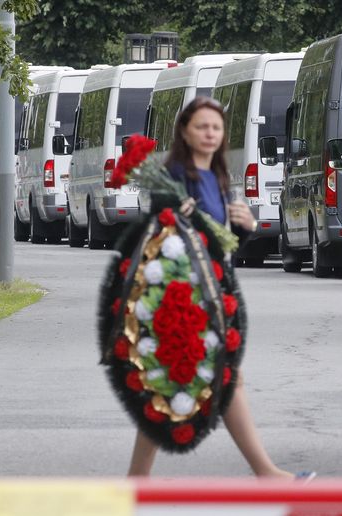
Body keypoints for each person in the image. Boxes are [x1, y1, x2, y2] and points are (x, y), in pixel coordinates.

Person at [127, 96, 309, 480]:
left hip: (214, 292)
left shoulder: (218, 177)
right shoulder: (173, 178)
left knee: (196, 381)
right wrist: (181, 218)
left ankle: (137, 482)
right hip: (184, 295)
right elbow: (163, 238)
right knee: (207, 380)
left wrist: (243, 226)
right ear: (185, 132)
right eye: (201, 127)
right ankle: (266, 474)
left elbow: (223, 246)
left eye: (216, 127)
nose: (210, 134)